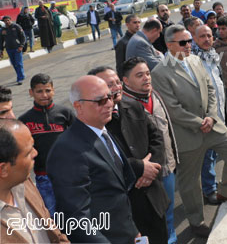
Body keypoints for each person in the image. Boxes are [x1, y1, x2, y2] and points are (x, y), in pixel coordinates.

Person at [151, 25, 227, 238]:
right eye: (183, 42)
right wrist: (199, 122)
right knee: (190, 182)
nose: (189, 45)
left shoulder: (195, 60)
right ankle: (196, 221)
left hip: (211, 124)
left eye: (189, 41)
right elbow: (172, 108)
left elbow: (212, 87)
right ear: (169, 45)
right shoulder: (160, 72)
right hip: (187, 134)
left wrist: (211, 116)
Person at [47, 76, 139, 243]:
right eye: (100, 101)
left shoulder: (101, 130)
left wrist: (132, 232)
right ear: (78, 106)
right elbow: (76, 217)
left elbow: (117, 191)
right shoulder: (67, 150)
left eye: (110, 97)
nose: (110, 104)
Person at [90, 64, 171, 244]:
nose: (116, 87)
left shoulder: (132, 106)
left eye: (117, 82)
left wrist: (152, 169)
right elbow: (100, 162)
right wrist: (139, 168)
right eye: (109, 85)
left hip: (152, 199)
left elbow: (156, 138)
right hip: (124, 211)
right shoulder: (93, 122)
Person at [119, 58, 179, 244]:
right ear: (126, 81)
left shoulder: (155, 95)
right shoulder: (123, 106)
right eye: (139, 75)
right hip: (142, 178)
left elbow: (163, 134)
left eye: (147, 73)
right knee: (149, 223)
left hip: (167, 167)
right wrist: (144, 173)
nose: (146, 78)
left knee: (168, 213)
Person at [0, 119, 70, 243]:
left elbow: (55, 234)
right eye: (28, 153)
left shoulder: (25, 184)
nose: (35, 153)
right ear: (3, 169)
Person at [18, 74, 75, 217]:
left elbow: (78, 138)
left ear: (53, 90)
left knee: (75, 210)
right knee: (52, 215)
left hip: (68, 173)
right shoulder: (24, 120)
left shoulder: (65, 113)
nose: (44, 95)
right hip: (43, 177)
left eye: (48, 90)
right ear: (31, 93)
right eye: (39, 91)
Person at [192, 25, 226, 206]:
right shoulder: (191, 60)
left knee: (213, 153)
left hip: (218, 112)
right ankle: (209, 190)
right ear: (194, 39)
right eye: (202, 36)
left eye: (209, 36)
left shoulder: (212, 55)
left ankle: (212, 185)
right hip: (205, 117)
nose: (206, 39)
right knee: (207, 154)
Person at [0, 16, 26, 85]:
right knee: (14, 64)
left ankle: (19, 78)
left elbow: (23, 37)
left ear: (10, 20)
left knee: (18, 63)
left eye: (8, 20)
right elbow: (1, 41)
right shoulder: (2, 29)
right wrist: (1, 50)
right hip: (9, 49)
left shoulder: (16, 27)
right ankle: (21, 75)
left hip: (17, 48)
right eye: (5, 21)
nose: (7, 22)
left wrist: (21, 46)